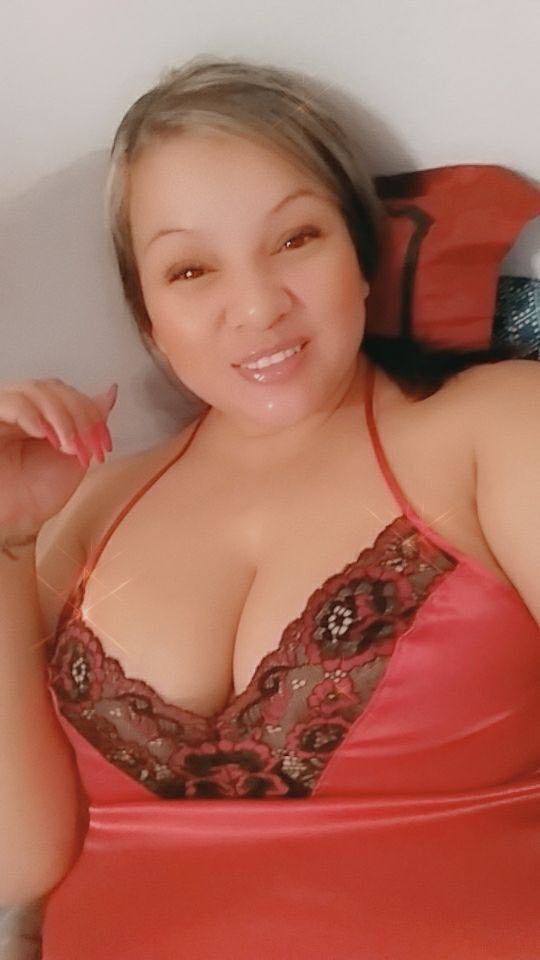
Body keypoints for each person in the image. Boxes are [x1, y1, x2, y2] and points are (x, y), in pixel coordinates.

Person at [0, 54, 538, 960]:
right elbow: (16, 865)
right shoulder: (77, 509)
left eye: (295, 239)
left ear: (360, 255)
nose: (256, 307)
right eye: (190, 270)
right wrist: (4, 546)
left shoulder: (496, 428)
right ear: (148, 318)